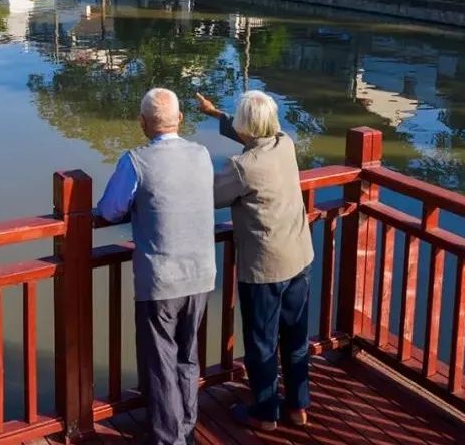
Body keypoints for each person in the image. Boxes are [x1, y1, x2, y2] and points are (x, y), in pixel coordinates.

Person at [95, 88, 216, 445]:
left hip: (161, 278)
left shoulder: (136, 161)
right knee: (187, 354)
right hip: (201, 273)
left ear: (143, 122)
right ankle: (186, 427)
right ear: (180, 119)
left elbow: (109, 210)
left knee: (161, 361)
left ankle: (169, 438)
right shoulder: (201, 154)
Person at [197, 90, 313, 431]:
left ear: (246, 126)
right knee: (295, 338)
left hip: (265, 268)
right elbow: (252, 134)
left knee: (262, 341)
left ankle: (264, 413)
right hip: (299, 257)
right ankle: (297, 407)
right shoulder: (285, 143)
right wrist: (215, 113)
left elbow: (211, 195)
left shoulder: (242, 167)